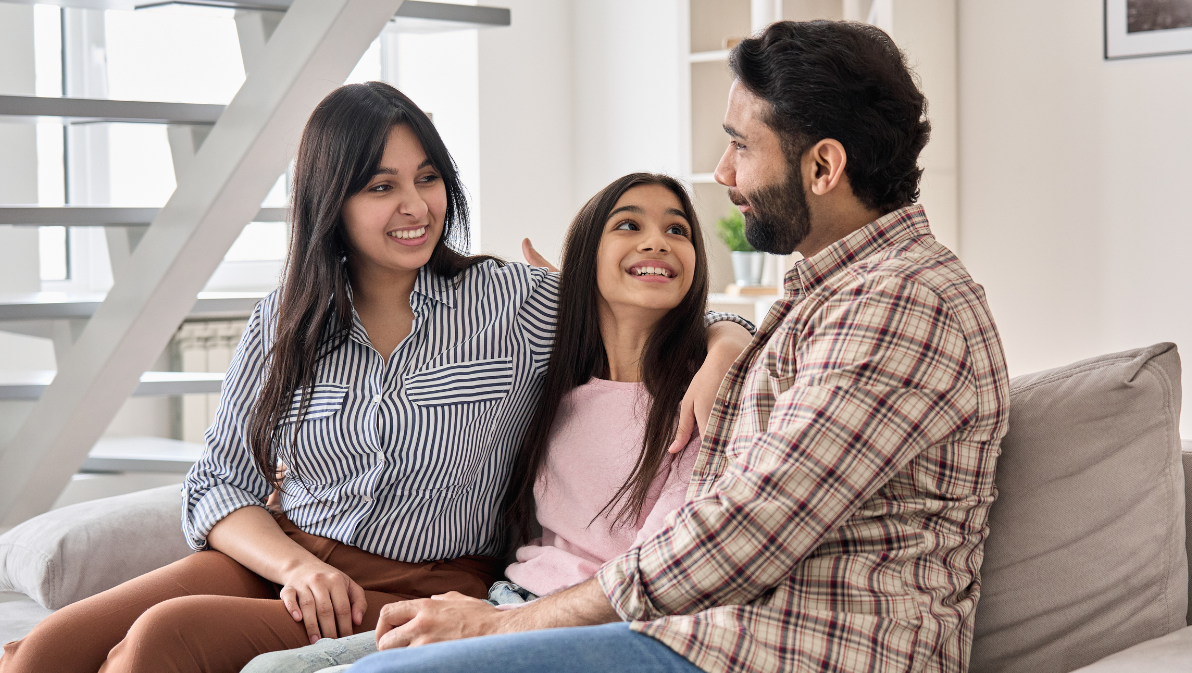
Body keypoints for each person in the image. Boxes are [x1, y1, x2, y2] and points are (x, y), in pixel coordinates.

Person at [0, 85, 751, 673]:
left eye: (426, 178)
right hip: (283, 554)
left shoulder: (514, 300)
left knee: (167, 637)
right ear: (333, 201)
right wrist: (294, 565)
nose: (415, 206)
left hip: (417, 580)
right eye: (381, 185)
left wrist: (722, 347)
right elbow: (219, 482)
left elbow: (661, 301)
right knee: (45, 649)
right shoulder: (284, 318)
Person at [341, 19, 1011, 673]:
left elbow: (753, 525)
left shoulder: (900, 303)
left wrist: (502, 622)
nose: (722, 173)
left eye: (740, 147)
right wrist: (697, 330)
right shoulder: (834, 297)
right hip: (709, 635)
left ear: (823, 166)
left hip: (789, 649)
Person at [243, 172, 723, 673]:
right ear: (583, 263)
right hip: (505, 601)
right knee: (272, 670)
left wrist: (728, 341)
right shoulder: (552, 381)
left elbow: (664, 575)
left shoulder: (704, 400)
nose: (657, 242)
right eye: (628, 224)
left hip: (586, 628)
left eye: (678, 231)